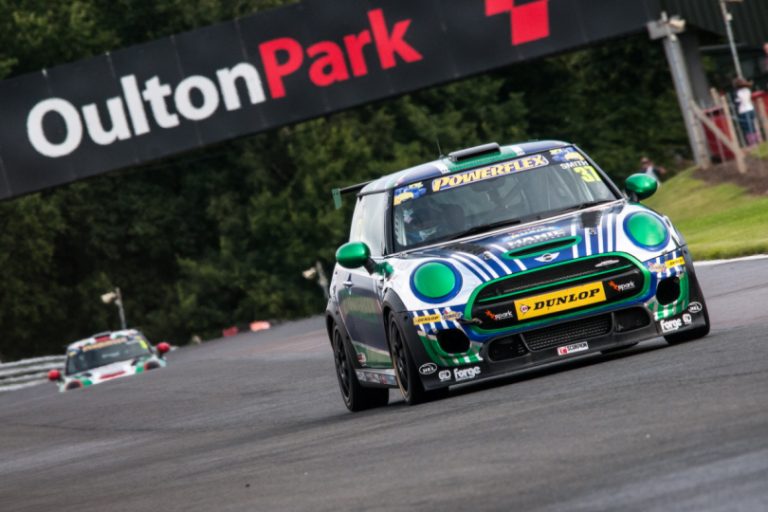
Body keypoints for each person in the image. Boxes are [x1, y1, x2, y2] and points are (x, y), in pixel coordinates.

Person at [733, 77, 758, 147]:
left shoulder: (737, 93)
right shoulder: (748, 90)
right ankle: (756, 141)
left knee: (747, 128)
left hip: (743, 111)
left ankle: (752, 143)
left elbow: (737, 103)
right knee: (752, 126)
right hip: (750, 109)